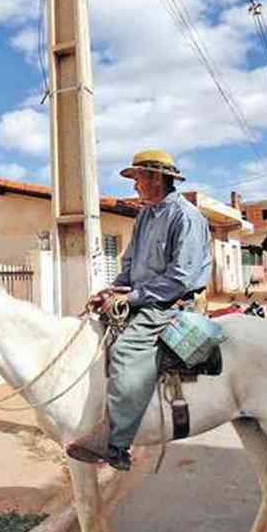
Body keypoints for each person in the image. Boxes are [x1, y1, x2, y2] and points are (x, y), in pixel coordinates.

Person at [67, 149, 212, 471]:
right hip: (143, 294)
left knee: (125, 351)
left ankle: (116, 444)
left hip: (171, 301)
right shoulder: (145, 215)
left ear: (157, 178)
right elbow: (129, 262)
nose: (134, 186)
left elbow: (180, 277)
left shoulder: (186, 216)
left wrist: (133, 297)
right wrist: (114, 290)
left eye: (138, 178)